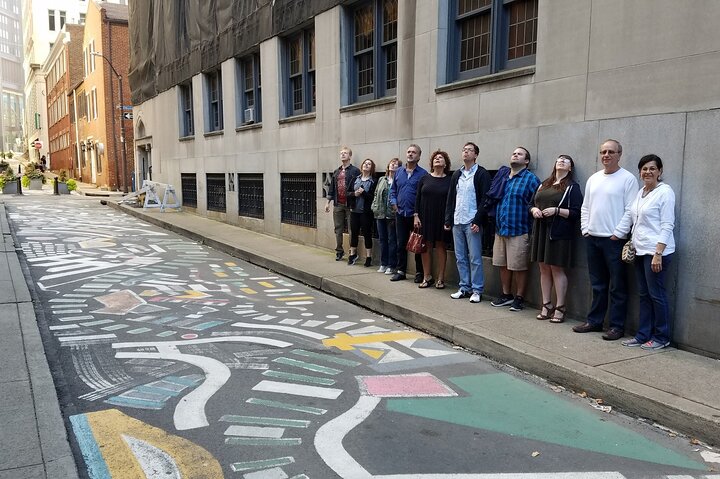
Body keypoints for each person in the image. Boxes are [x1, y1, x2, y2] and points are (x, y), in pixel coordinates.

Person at [574, 139, 638, 340]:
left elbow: (631, 210)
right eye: (603, 152)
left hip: (614, 241)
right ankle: (595, 321)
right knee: (598, 284)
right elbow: (585, 207)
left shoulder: (628, 179)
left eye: (611, 152)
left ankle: (617, 327)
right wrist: (585, 229)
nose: (606, 155)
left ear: (619, 154)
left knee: (617, 286)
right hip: (592, 238)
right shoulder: (594, 178)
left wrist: (618, 233)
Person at [621, 154, 675, 350]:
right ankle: (643, 335)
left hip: (656, 253)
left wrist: (658, 253)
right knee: (644, 295)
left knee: (656, 295)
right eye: (644, 169)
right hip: (640, 251)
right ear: (640, 172)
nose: (648, 172)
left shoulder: (665, 192)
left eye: (652, 168)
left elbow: (667, 224)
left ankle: (661, 337)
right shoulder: (641, 192)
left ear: (660, 171)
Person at [529, 155, 583, 323]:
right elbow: (531, 204)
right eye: (559, 159)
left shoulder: (572, 187)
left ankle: (560, 307)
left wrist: (556, 211)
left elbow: (576, 212)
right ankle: (546, 304)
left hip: (558, 233)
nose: (561, 161)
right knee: (543, 268)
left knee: (556, 269)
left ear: (570, 168)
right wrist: (534, 210)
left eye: (566, 161)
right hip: (541, 230)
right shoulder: (544, 184)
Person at [490, 147, 540, 312]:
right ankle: (506, 295)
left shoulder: (531, 179)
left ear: (526, 161)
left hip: (519, 229)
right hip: (501, 229)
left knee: (519, 266)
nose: (515, 155)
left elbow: (535, 202)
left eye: (520, 154)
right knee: (502, 264)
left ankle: (519, 297)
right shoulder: (503, 177)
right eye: (514, 153)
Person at [444, 142, 491, 303]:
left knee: (475, 258)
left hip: (472, 221)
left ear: (476, 155)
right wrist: (448, 219)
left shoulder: (481, 173)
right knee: (460, 257)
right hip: (457, 221)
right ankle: (464, 287)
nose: (466, 152)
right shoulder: (457, 174)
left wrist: (478, 220)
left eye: (470, 150)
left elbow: (485, 199)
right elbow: (451, 198)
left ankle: (477, 290)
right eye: (464, 150)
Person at [414, 150, 453, 289]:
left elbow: (452, 200)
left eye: (441, 158)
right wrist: (416, 215)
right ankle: (427, 276)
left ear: (445, 163)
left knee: (441, 246)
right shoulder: (424, 178)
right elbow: (417, 198)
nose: (437, 159)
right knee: (426, 246)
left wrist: (449, 219)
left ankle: (441, 278)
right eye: (435, 158)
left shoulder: (450, 180)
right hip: (425, 216)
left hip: (442, 217)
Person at [389, 144, 427, 282]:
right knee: (401, 244)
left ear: (419, 156)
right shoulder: (399, 172)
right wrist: (394, 202)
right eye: (409, 152)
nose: (410, 154)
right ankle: (401, 271)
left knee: (417, 245)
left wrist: (418, 213)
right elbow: (393, 190)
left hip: (416, 215)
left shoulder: (423, 174)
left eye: (414, 152)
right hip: (400, 214)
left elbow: (424, 195)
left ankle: (419, 273)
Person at [325, 146, 360, 262]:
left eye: (345, 153)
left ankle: (352, 252)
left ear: (350, 156)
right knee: (338, 228)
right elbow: (331, 188)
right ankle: (339, 251)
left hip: (350, 204)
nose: (343, 154)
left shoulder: (355, 171)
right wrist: (327, 202)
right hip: (338, 204)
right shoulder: (337, 171)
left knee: (351, 229)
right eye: (341, 153)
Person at [372, 158, 402, 275]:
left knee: (392, 240)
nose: (393, 165)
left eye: (396, 164)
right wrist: (374, 207)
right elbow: (376, 194)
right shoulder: (382, 179)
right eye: (392, 163)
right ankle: (383, 263)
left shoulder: (398, 180)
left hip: (392, 215)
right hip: (380, 213)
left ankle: (391, 265)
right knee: (382, 239)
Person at [347, 159, 377, 266]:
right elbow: (347, 193)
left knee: (367, 233)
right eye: (365, 163)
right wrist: (354, 194)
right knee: (354, 233)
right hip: (354, 211)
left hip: (366, 212)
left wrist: (363, 193)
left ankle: (368, 257)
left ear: (372, 168)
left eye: (369, 164)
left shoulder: (373, 181)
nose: (366, 165)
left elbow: (373, 197)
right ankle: (352, 254)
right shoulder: (355, 179)